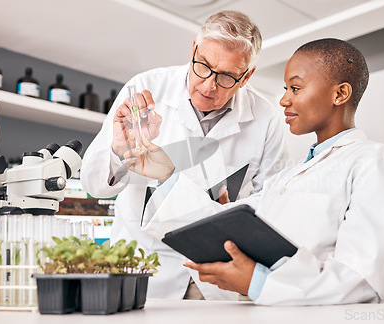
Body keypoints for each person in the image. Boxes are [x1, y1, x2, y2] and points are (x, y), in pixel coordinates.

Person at [124, 38, 384, 306]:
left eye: (295, 88)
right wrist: (166, 175)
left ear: (340, 93)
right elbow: (219, 223)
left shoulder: (377, 164)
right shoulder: (287, 178)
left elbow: (363, 283)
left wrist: (257, 282)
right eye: (285, 89)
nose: (283, 100)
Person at [80, 10, 288, 300]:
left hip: (216, 282)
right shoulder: (143, 88)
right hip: (145, 272)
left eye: (227, 76)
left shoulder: (266, 118)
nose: (208, 85)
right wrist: (119, 151)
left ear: (247, 75)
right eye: (203, 66)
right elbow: (93, 184)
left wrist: (223, 213)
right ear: (193, 49)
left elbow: (272, 206)